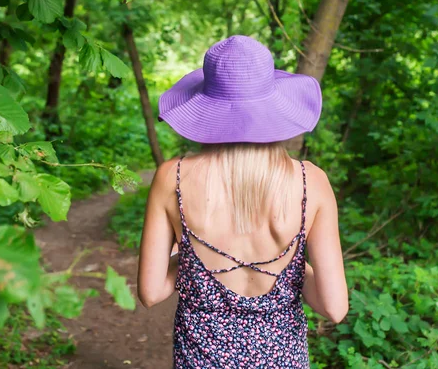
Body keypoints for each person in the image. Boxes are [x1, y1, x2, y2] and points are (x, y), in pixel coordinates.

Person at [137, 35, 348, 368]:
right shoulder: (311, 182)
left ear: (205, 104)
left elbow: (151, 292)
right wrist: (290, 267)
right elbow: (335, 307)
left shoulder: (172, 178)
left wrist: (192, 261)